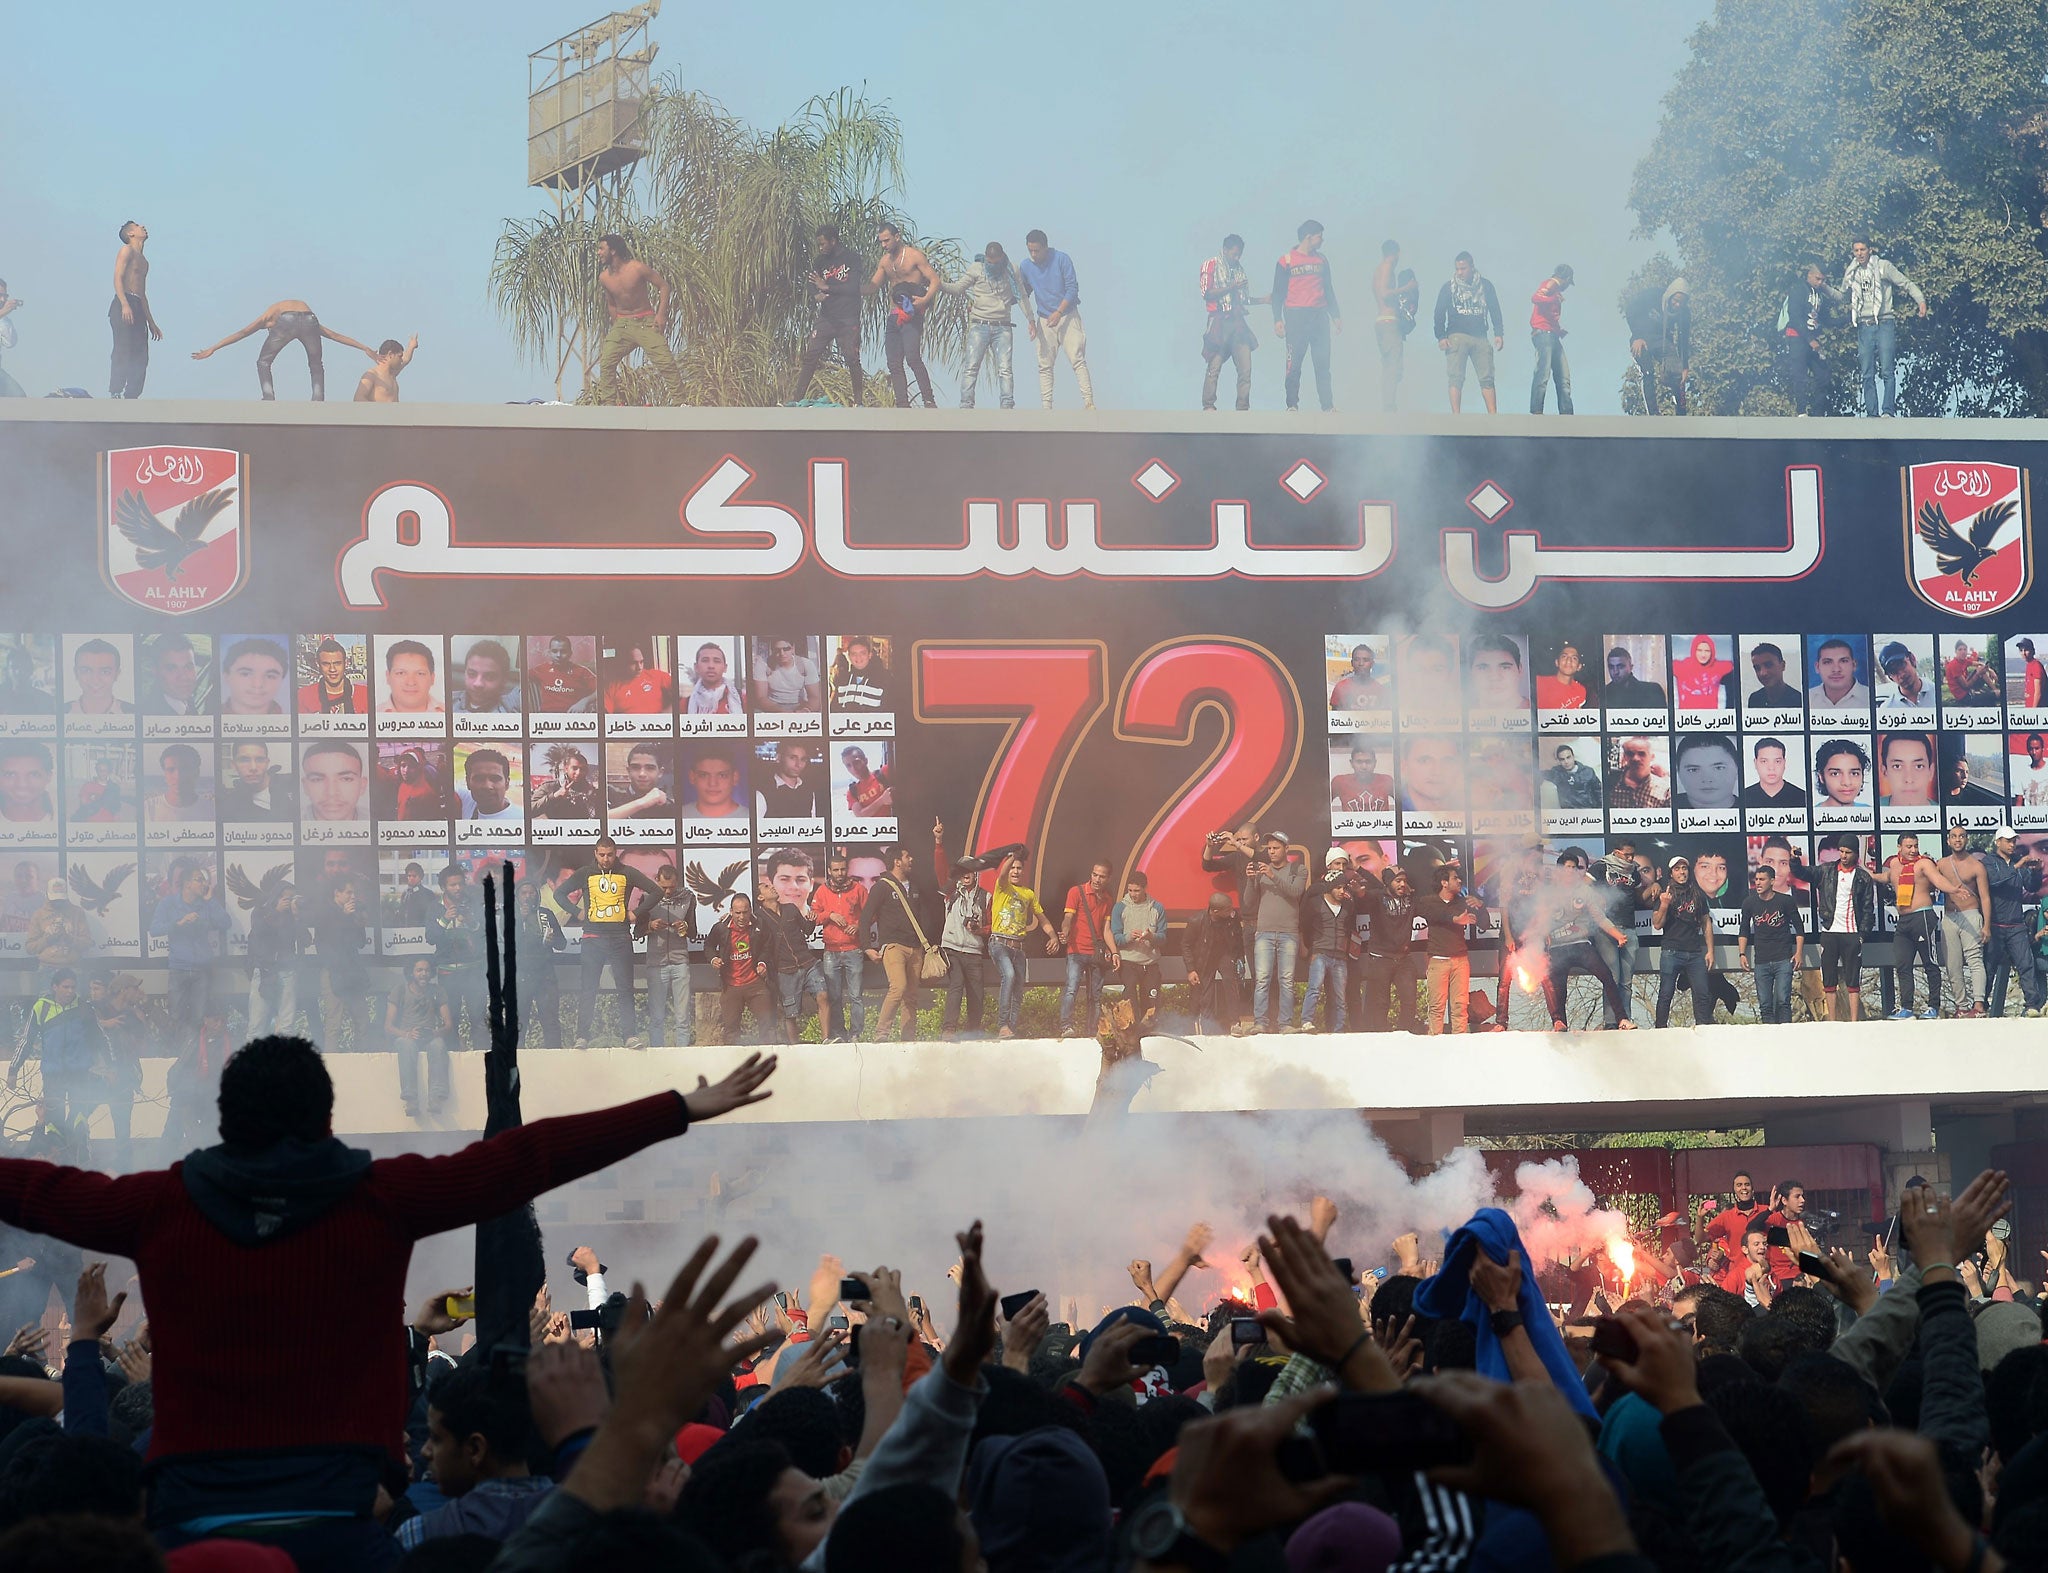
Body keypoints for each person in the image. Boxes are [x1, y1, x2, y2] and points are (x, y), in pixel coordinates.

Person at [0, 1034, 775, 1563]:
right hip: (344, 1520)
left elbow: (33, 1188)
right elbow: (524, 1158)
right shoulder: (383, 1197)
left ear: (226, 1120)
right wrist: (678, 1106)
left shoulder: (156, 1205)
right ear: (327, 1118)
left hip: (188, 1520)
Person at [396, 1362, 551, 1549]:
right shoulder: (579, 1519)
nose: (425, 1451)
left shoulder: (418, 1536)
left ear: (475, 1449)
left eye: (436, 1438)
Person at [561, 837, 660, 1048]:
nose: (606, 859)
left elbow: (657, 891)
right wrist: (577, 912)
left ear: (615, 853)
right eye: (602, 854)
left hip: (620, 938)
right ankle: (582, 1036)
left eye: (610, 855)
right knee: (588, 988)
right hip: (592, 939)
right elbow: (559, 893)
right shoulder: (585, 873)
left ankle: (629, 1036)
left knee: (625, 988)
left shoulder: (628, 872)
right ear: (595, 853)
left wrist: (635, 913)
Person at [189, 300, 377, 400]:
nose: (270, 331)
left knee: (263, 361)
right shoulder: (303, 315)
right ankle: (318, 399)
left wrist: (214, 347)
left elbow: (243, 332)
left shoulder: (268, 316)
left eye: (270, 330)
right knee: (316, 364)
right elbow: (336, 336)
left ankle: (268, 397)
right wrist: (364, 348)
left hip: (288, 319)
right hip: (311, 318)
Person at [1538, 860, 1633, 1031]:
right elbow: (1540, 920)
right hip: (1557, 947)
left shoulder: (1584, 891)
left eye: (1574, 868)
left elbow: (1599, 917)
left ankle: (1622, 1019)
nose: (1571, 871)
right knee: (1556, 985)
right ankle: (1559, 1022)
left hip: (1580, 944)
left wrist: (1617, 935)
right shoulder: (1549, 893)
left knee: (1607, 975)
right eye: (1567, 867)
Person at [1842, 235, 1928, 416]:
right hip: (1864, 324)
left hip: (1884, 322)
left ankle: (1888, 410)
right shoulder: (1852, 272)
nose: (1859, 254)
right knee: (1866, 372)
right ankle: (1871, 413)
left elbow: (1906, 283)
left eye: (1862, 249)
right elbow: (1842, 295)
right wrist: (1823, 286)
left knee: (1887, 369)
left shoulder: (1883, 266)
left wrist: (1920, 301)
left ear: (1870, 250)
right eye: (1856, 250)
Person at [931, 823, 1004, 1037]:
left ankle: (973, 1031)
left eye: (970, 871)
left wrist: (978, 930)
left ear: (976, 874)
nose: (966, 875)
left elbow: (993, 927)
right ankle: (949, 1029)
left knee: (976, 992)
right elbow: (940, 868)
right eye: (962, 870)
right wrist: (938, 842)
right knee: (956, 985)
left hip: (973, 950)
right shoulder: (951, 891)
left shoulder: (987, 896)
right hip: (952, 948)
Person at [1873, 832, 1953, 1019]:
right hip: (1903, 921)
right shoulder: (1894, 864)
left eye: (1915, 846)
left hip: (1923, 916)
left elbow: (1938, 880)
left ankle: (1933, 1007)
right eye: (1909, 846)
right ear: (1899, 847)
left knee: (1930, 964)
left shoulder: (1923, 863)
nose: (1913, 850)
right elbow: (1888, 877)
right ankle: (1906, 1008)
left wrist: (1953, 889)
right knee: (1903, 965)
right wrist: (1872, 876)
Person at [595, 233, 681, 403]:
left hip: (646, 322)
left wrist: (661, 314)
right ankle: (609, 404)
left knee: (665, 362)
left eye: (601, 248)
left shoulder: (637, 268)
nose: (598, 253)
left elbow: (664, 287)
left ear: (613, 251)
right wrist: (617, 325)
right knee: (606, 362)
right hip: (623, 324)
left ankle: (681, 402)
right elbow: (611, 303)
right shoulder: (604, 278)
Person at [1271, 220, 1346, 415]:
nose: (1322, 240)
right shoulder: (1286, 260)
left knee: (1322, 363)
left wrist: (1336, 316)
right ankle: (1292, 404)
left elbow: (1328, 289)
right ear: (1309, 237)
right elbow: (1277, 293)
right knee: (1293, 363)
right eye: (1320, 236)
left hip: (1319, 316)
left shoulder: (1322, 260)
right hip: (1296, 317)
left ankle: (1328, 406)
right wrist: (1277, 319)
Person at [150, 865, 228, 1051]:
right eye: (199, 879)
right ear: (186, 884)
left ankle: (194, 1058)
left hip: (202, 970)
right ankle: (175, 1055)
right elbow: (154, 929)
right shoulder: (168, 903)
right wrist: (179, 923)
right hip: (178, 968)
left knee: (198, 1017)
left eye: (204, 880)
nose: (204, 883)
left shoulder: (206, 904)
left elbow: (225, 923)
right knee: (175, 1016)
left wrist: (211, 900)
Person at [941, 240, 1027, 409]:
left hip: (1003, 326)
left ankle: (1007, 403)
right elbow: (958, 288)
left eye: (995, 262)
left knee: (1004, 369)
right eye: (989, 262)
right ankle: (966, 403)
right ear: (986, 258)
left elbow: (1021, 295)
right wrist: (938, 284)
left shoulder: (1011, 269)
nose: (992, 265)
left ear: (1002, 257)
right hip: (979, 324)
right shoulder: (976, 269)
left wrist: (1030, 320)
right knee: (971, 367)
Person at [862, 222, 938, 408]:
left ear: (897, 237)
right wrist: (848, 288)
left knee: (912, 358)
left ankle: (929, 400)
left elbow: (935, 279)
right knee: (894, 363)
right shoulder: (885, 262)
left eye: (886, 240)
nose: (884, 245)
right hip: (893, 316)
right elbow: (872, 287)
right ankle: (902, 403)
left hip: (912, 314)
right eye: (881, 242)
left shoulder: (914, 256)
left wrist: (925, 299)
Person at [988, 846, 1059, 1040]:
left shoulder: (1028, 893)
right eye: (1013, 868)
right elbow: (1002, 873)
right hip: (999, 943)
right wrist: (1012, 857)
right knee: (1009, 976)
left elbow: (1042, 918)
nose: (1016, 871)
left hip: (1018, 947)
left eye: (1019, 868)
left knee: (1019, 987)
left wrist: (1053, 936)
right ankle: (1002, 1024)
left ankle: (1011, 1027)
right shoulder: (1002, 886)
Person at [1237, 832, 1305, 1033]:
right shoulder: (1261, 872)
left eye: (1276, 848)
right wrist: (1250, 880)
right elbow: (1248, 902)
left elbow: (1295, 893)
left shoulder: (1298, 869)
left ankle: (1285, 1023)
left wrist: (1272, 875)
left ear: (1286, 849)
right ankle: (1260, 1023)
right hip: (1264, 932)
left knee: (1286, 980)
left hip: (1289, 933)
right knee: (1262, 978)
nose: (1272, 852)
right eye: (1269, 848)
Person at [1018, 229, 1094, 408]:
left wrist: (1059, 312)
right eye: (1030, 251)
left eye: (1037, 250)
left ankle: (1089, 402)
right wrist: (1030, 320)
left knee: (1077, 359)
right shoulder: (1026, 266)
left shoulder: (1061, 259)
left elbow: (1072, 289)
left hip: (1067, 315)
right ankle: (1046, 407)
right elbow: (1023, 293)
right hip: (1044, 319)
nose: (1034, 255)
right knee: (1044, 365)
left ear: (1046, 247)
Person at [758, 850, 827, 1044]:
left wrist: (812, 921)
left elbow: (806, 930)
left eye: (800, 879)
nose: (793, 887)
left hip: (808, 962)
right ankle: (794, 1046)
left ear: (811, 883)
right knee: (791, 1012)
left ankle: (826, 1040)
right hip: (784, 970)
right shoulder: (759, 918)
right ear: (760, 898)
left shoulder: (790, 908)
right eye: (766, 886)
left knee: (823, 996)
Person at [792, 224, 865, 404]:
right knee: (810, 357)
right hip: (826, 318)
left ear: (833, 241)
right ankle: (796, 399)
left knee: (852, 358)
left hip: (848, 318)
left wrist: (827, 287)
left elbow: (853, 286)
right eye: (819, 244)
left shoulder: (852, 258)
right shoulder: (820, 261)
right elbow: (811, 282)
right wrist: (816, 294)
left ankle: (858, 402)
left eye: (823, 243)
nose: (821, 247)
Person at [865, 843, 930, 1040]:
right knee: (898, 987)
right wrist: (867, 947)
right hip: (894, 946)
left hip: (915, 947)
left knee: (911, 995)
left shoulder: (915, 886)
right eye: (907, 856)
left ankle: (908, 1038)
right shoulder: (882, 886)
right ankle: (881, 1034)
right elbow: (865, 918)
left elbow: (922, 917)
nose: (912, 860)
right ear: (897, 862)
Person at [1196, 234, 1267, 411]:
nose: (1236, 258)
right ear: (1225, 250)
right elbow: (1206, 292)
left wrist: (1263, 300)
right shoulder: (1210, 264)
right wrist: (1231, 287)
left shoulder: (1239, 270)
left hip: (1237, 324)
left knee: (1245, 368)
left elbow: (1243, 299)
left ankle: (1242, 407)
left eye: (1239, 255)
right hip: (1219, 322)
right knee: (1214, 366)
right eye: (1234, 254)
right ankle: (1208, 405)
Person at [1981, 824, 2046, 1016]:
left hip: (2016, 924)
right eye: (2008, 841)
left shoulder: (2019, 861)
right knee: (1989, 967)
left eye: (2013, 840)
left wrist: (2036, 871)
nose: (2012, 844)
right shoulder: (1989, 862)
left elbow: (2032, 887)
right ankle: (1981, 1006)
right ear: (1997, 842)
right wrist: (2016, 867)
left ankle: (2032, 1005)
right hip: (1995, 924)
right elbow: (1994, 882)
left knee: (2026, 964)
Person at [1810, 835, 1876, 1020]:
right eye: (1842, 852)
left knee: (1853, 980)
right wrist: (1794, 861)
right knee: (1829, 979)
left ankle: (1854, 1021)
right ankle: (1832, 1020)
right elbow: (1804, 873)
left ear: (1856, 854)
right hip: (1830, 932)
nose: (1844, 855)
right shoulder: (1827, 870)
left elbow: (1868, 908)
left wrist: (1862, 935)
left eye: (1848, 852)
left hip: (1852, 933)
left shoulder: (1863, 876)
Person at [811, 848, 871, 1041]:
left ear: (847, 870)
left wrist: (858, 926)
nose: (839, 874)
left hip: (854, 949)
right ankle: (839, 1034)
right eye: (836, 870)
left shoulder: (858, 889)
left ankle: (856, 1033)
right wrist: (830, 915)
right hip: (831, 952)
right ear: (829, 871)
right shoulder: (821, 891)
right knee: (834, 997)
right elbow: (814, 917)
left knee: (856, 996)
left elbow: (871, 914)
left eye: (842, 870)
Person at [1432, 251, 1503, 414]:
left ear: (1471, 267)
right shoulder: (1449, 287)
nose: (1459, 272)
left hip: (1480, 337)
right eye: (1457, 269)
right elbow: (1439, 313)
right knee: (1455, 377)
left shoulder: (1485, 285)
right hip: (1457, 336)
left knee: (1487, 377)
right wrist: (1441, 336)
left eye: (1463, 268)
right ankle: (1456, 415)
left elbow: (1495, 309)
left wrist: (1498, 333)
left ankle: (1493, 414)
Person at [1417, 863, 1485, 1033]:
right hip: (1438, 960)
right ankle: (1435, 1046)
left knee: (1460, 1008)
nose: (1459, 881)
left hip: (1460, 960)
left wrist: (1481, 906)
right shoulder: (1428, 901)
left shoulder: (1463, 902)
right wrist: (1455, 919)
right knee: (1436, 1008)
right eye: (1455, 878)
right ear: (1444, 882)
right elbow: (1435, 914)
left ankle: (1460, 1047)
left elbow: (1485, 924)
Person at [1355, 863, 1423, 1033]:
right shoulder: (1377, 897)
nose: (1402, 884)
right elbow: (1365, 895)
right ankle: (1382, 1037)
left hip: (1403, 959)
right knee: (1380, 1003)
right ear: (1388, 883)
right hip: (1380, 958)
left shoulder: (1411, 899)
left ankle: (1403, 1035)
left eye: (1404, 881)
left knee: (1409, 1000)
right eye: (1397, 881)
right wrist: (1360, 889)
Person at [427, 866, 488, 1052]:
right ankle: (452, 1059)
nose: (457, 888)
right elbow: (431, 938)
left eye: (460, 884)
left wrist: (471, 921)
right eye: (452, 885)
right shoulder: (435, 907)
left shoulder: (475, 904)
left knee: (478, 1019)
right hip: (448, 973)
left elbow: (484, 933)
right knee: (450, 1019)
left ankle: (484, 1061)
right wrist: (444, 919)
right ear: (444, 887)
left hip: (473, 971)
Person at [636, 861, 696, 1046]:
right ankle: (656, 1055)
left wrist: (685, 927)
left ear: (677, 882)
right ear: (656, 880)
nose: (668, 891)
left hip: (680, 962)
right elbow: (637, 931)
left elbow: (693, 932)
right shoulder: (647, 897)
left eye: (672, 887)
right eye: (663, 887)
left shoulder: (688, 898)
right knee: (657, 1016)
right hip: (656, 963)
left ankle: (683, 1055)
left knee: (682, 1016)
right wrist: (650, 926)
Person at [1057, 861, 1121, 1037]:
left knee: (1096, 995)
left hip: (1095, 953)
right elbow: (1068, 917)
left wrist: (1114, 952)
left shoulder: (1108, 899)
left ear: (1108, 878)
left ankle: (1092, 1031)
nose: (1097, 879)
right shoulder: (1076, 892)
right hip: (1076, 951)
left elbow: (1106, 929)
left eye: (1101, 876)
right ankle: (1066, 1027)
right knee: (1071, 989)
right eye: (1094, 874)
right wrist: (1065, 931)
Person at [385, 955, 452, 1119]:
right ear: (411, 972)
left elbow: (448, 1025)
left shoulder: (437, 991)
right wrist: (407, 1034)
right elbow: (388, 1026)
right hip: (406, 1036)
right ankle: (411, 1099)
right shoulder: (400, 990)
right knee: (406, 1046)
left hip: (429, 1036)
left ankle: (436, 1098)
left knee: (438, 1044)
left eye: (427, 970)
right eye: (419, 970)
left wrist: (434, 1033)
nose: (424, 974)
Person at [1936, 821, 1992, 1017]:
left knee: (1975, 960)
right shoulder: (1942, 864)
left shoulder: (1976, 866)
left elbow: (1985, 897)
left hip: (1971, 914)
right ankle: (1961, 1006)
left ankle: (1978, 1006)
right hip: (1949, 917)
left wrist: (1986, 925)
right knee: (1952, 964)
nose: (1958, 839)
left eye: (1961, 836)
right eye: (1954, 836)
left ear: (1966, 839)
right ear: (1948, 840)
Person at [1738, 863, 1804, 1023]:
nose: (1758, 883)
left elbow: (1799, 928)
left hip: (1783, 959)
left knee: (1783, 1001)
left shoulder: (1786, 901)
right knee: (1765, 1005)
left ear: (1772, 881)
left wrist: (1799, 953)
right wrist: (1742, 954)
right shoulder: (1749, 903)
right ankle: (1770, 1040)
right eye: (1756, 879)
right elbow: (1744, 930)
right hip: (1761, 961)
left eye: (1762, 879)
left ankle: (1786, 1037)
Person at [1653, 855, 1713, 1027]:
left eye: (1684, 868)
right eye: (1677, 869)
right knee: (1666, 994)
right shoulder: (1665, 893)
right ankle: (1660, 1030)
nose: (1682, 872)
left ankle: (1703, 1029)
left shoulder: (1698, 894)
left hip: (1694, 952)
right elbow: (1657, 924)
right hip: (1671, 951)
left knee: (1702, 993)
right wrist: (1664, 904)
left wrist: (1710, 950)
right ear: (1671, 873)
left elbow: (1706, 922)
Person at [1296, 853, 1350, 1032]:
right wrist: (1305, 947)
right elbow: (1303, 924)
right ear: (1330, 888)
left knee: (1340, 996)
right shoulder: (1315, 903)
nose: (1343, 891)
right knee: (1314, 988)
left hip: (1340, 956)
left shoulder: (1348, 905)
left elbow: (1349, 929)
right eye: (1339, 888)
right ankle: (1306, 1022)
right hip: (1320, 953)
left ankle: (1339, 1028)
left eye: (1344, 887)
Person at [108, 220, 160, 399]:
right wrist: (124, 303)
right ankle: (116, 390)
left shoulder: (144, 261)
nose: (143, 227)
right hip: (124, 301)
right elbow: (118, 278)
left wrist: (151, 322)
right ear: (130, 234)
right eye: (138, 226)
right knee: (123, 347)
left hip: (138, 305)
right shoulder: (126, 251)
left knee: (141, 353)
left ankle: (132, 394)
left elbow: (142, 293)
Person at [1624, 276, 1690, 414]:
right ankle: (1653, 413)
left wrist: (1685, 366)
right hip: (1642, 338)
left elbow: (1684, 338)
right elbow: (1631, 309)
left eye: (1681, 303)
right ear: (1670, 295)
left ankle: (1682, 412)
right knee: (1648, 371)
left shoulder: (1684, 313)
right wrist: (1637, 335)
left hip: (1663, 341)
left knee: (1678, 373)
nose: (1677, 305)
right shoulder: (1653, 295)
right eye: (1676, 300)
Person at [244, 880, 302, 1038]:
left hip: (287, 971)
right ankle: (252, 1061)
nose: (288, 901)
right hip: (264, 971)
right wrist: (276, 911)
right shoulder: (260, 911)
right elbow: (258, 933)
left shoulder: (292, 915)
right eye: (286, 897)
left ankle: (285, 1060)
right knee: (256, 1026)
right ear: (276, 897)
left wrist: (296, 917)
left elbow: (304, 939)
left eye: (292, 898)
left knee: (287, 1026)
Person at [1183, 891, 1245, 1034]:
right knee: (1206, 993)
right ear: (1215, 911)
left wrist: (1240, 958)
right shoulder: (1196, 921)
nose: (1231, 912)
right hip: (1205, 958)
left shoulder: (1232, 918)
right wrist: (1191, 969)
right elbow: (1185, 945)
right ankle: (1207, 1026)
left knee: (1231, 983)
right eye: (1227, 909)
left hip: (1225, 955)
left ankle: (1235, 1023)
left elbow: (1238, 937)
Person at [1111, 868, 1167, 1027]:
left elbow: (1163, 938)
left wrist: (1151, 937)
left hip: (1150, 963)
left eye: (1137, 890)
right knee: (1130, 998)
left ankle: (1150, 1033)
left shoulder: (1157, 908)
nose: (1133, 894)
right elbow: (1116, 937)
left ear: (1144, 888)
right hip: (1128, 961)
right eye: (1130, 890)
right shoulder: (1120, 908)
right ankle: (1131, 1033)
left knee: (1151, 1003)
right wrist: (1129, 937)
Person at [1528, 264, 1574, 414]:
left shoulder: (1554, 288)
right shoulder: (1552, 284)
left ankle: (1567, 414)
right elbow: (1536, 298)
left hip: (1551, 334)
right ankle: (1537, 412)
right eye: (1569, 283)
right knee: (1544, 373)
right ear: (1567, 279)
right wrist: (1554, 298)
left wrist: (1559, 330)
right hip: (1543, 334)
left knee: (1563, 377)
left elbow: (1547, 314)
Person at [1370, 238, 1409, 410]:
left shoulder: (1378, 270)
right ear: (1396, 253)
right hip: (1388, 322)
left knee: (1390, 365)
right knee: (1394, 366)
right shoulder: (1386, 267)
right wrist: (1407, 288)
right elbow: (1385, 293)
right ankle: (1389, 405)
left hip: (1383, 322)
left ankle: (1388, 402)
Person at [220, 740, 295, 819]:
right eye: (244, 760)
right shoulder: (229, 807)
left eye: (260, 760)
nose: (253, 767)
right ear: (234, 765)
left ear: (267, 763)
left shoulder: (291, 785)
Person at [755, 740, 824, 820]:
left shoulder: (809, 791)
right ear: (779, 758)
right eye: (793, 758)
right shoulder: (763, 793)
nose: (798, 765)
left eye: (803, 759)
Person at [298, 637, 367, 715]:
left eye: (337, 663)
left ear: (346, 663)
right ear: (318, 664)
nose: (332, 669)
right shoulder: (304, 695)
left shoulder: (364, 694)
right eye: (326, 664)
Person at [1672, 733, 1740, 811]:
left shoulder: (1751, 804)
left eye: (1718, 768)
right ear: (1678, 772)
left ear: (1737, 769)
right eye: (1693, 770)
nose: (1707, 779)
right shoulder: (1665, 804)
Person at [753, 637, 822, 713]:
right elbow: (761, 698)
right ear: (772, 651)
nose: (782, 653)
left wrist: (805, 711)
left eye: (786, 649)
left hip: (800, 705)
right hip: (772, 705)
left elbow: (815, 697)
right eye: (777, 650)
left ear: (793, 649)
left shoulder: (806, 664)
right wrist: (782, 712)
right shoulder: (763, 664)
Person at [531, 744, 599, 820]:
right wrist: (555, 795)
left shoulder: (592, 791)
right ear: (566, 769)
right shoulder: (550, 787)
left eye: (582, 769)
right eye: (574, 768)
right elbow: (530, 810)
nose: (579, 772)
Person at [450, 640, 518, 715]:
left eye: (489, 677)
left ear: (504, 680)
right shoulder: (447, 701)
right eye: (472, 674)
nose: (478, 684)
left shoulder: (510, 707)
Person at [530, 636, 597, 712]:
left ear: (570, 653)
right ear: (549, 653)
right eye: (554, 651)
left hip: (572, 716)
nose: (558, 655)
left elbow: (603, 689)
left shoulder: (582, 671)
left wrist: (584, 701)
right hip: (546, 717)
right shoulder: (542, 669)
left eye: (563, 651)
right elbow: (521, 675)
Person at [1739, 737, 1807, 808]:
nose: (1771, 768)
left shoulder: (1802, 797)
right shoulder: (1743, 797)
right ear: (1755, 763)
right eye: (1764, 761)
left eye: (1777, 761)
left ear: (1784, 763)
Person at [458, 748, 521, 823]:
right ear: (468, 782)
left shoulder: (521, 819)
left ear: (506, 784)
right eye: (479, 779)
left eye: (495, 779)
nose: (487, 786)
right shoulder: (467, 801)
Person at [381, 639, 442, 715]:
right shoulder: (372, 713)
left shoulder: (450, 711)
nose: (411, 683)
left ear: (432, 678)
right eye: (401, 673)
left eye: (420, 673)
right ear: (388, 677)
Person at [1329, 743, 1394, 813]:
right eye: (1359, 762)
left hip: (1381, 823)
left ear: (1375, 763)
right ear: (1351, 763)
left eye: (1368, 762)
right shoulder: (1340, 782)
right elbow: (1321, 806)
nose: (1364, 767)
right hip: (1351, 823)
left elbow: (1405, 803)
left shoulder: (1386, 781)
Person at [1606, 737, 1669, 809]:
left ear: (1652, 757)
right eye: (1630, 754)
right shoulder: (1611, 784)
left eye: (1641, 754)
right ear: (1624, 757)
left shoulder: (1664, 791)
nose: (1636, 758)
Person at [685, 641, 746, 715]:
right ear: (696, 667)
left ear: (725, 668)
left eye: (717, 661)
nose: (711, 666)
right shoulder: (685, 704)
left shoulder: (742, 699)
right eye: (705, 660)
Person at [1808, 637, 1870, 709]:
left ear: (1854, 665)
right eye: (1827, 662)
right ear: (1817, 667)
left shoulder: (1869, 697)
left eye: (1843, 661)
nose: (1836, 669)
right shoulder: (1807, 698)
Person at [353, 336, 418, 402]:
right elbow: (358, 398)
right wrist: (377, 411)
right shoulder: (371, 375)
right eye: (400, 356)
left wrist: (411, 346)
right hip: (377, 412)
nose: (401, 360)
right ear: (390, 354)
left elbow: (406, 359)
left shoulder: (392, 374)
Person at [1814, 737, 1870, 812]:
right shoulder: (1812, 814)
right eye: (1835, 774)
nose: (1847, 783)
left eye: (1854, 773)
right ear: (1821, 777)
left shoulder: (1869, 811)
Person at [1327, 643, 1388, 711]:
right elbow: (1334, 717)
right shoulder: (1340, 687)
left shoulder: (1380, 690)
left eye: (1365, 660)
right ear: (1352, 663)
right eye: (1357, 659)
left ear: (1372, 664)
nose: (1361, 663)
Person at [1876, 640, 1932, 713]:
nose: (1901, 675)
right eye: (1893, 672)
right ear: (1890, 677)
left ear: (1912, 659)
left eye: (1901, 665)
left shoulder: (1936, 693)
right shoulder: (1887, 709)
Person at [1602, 646, 1667, 709]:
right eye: (1611, 667)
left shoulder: (1652, 691)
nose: (1615, 672)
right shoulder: (1603, 694)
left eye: (1620, 666)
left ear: (1631, 667)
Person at [1745, 642, 1802, 710]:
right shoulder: (1755, 699)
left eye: (1768, 665)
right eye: (1757, 668)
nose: (1763, 673)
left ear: (1783, 665)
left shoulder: (1798, 700)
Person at [1544, 743, 1601, 809]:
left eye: (1568, 757)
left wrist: (1599, 812)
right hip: (1569, 814)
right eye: (1562, 759)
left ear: (1573, 757)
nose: (1566, 762)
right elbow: (1539, 774)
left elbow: (1599, 792)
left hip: (1588, 811)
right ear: (1559, 761)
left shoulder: (1588, 771)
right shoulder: (1557, 773)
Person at [840, 746, 891, 817]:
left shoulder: (884, 772)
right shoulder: (852, 792)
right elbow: (860, 815)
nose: (853, 768)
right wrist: (882, 800)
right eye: (848, 765)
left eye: (856, 763)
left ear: (865, 761)